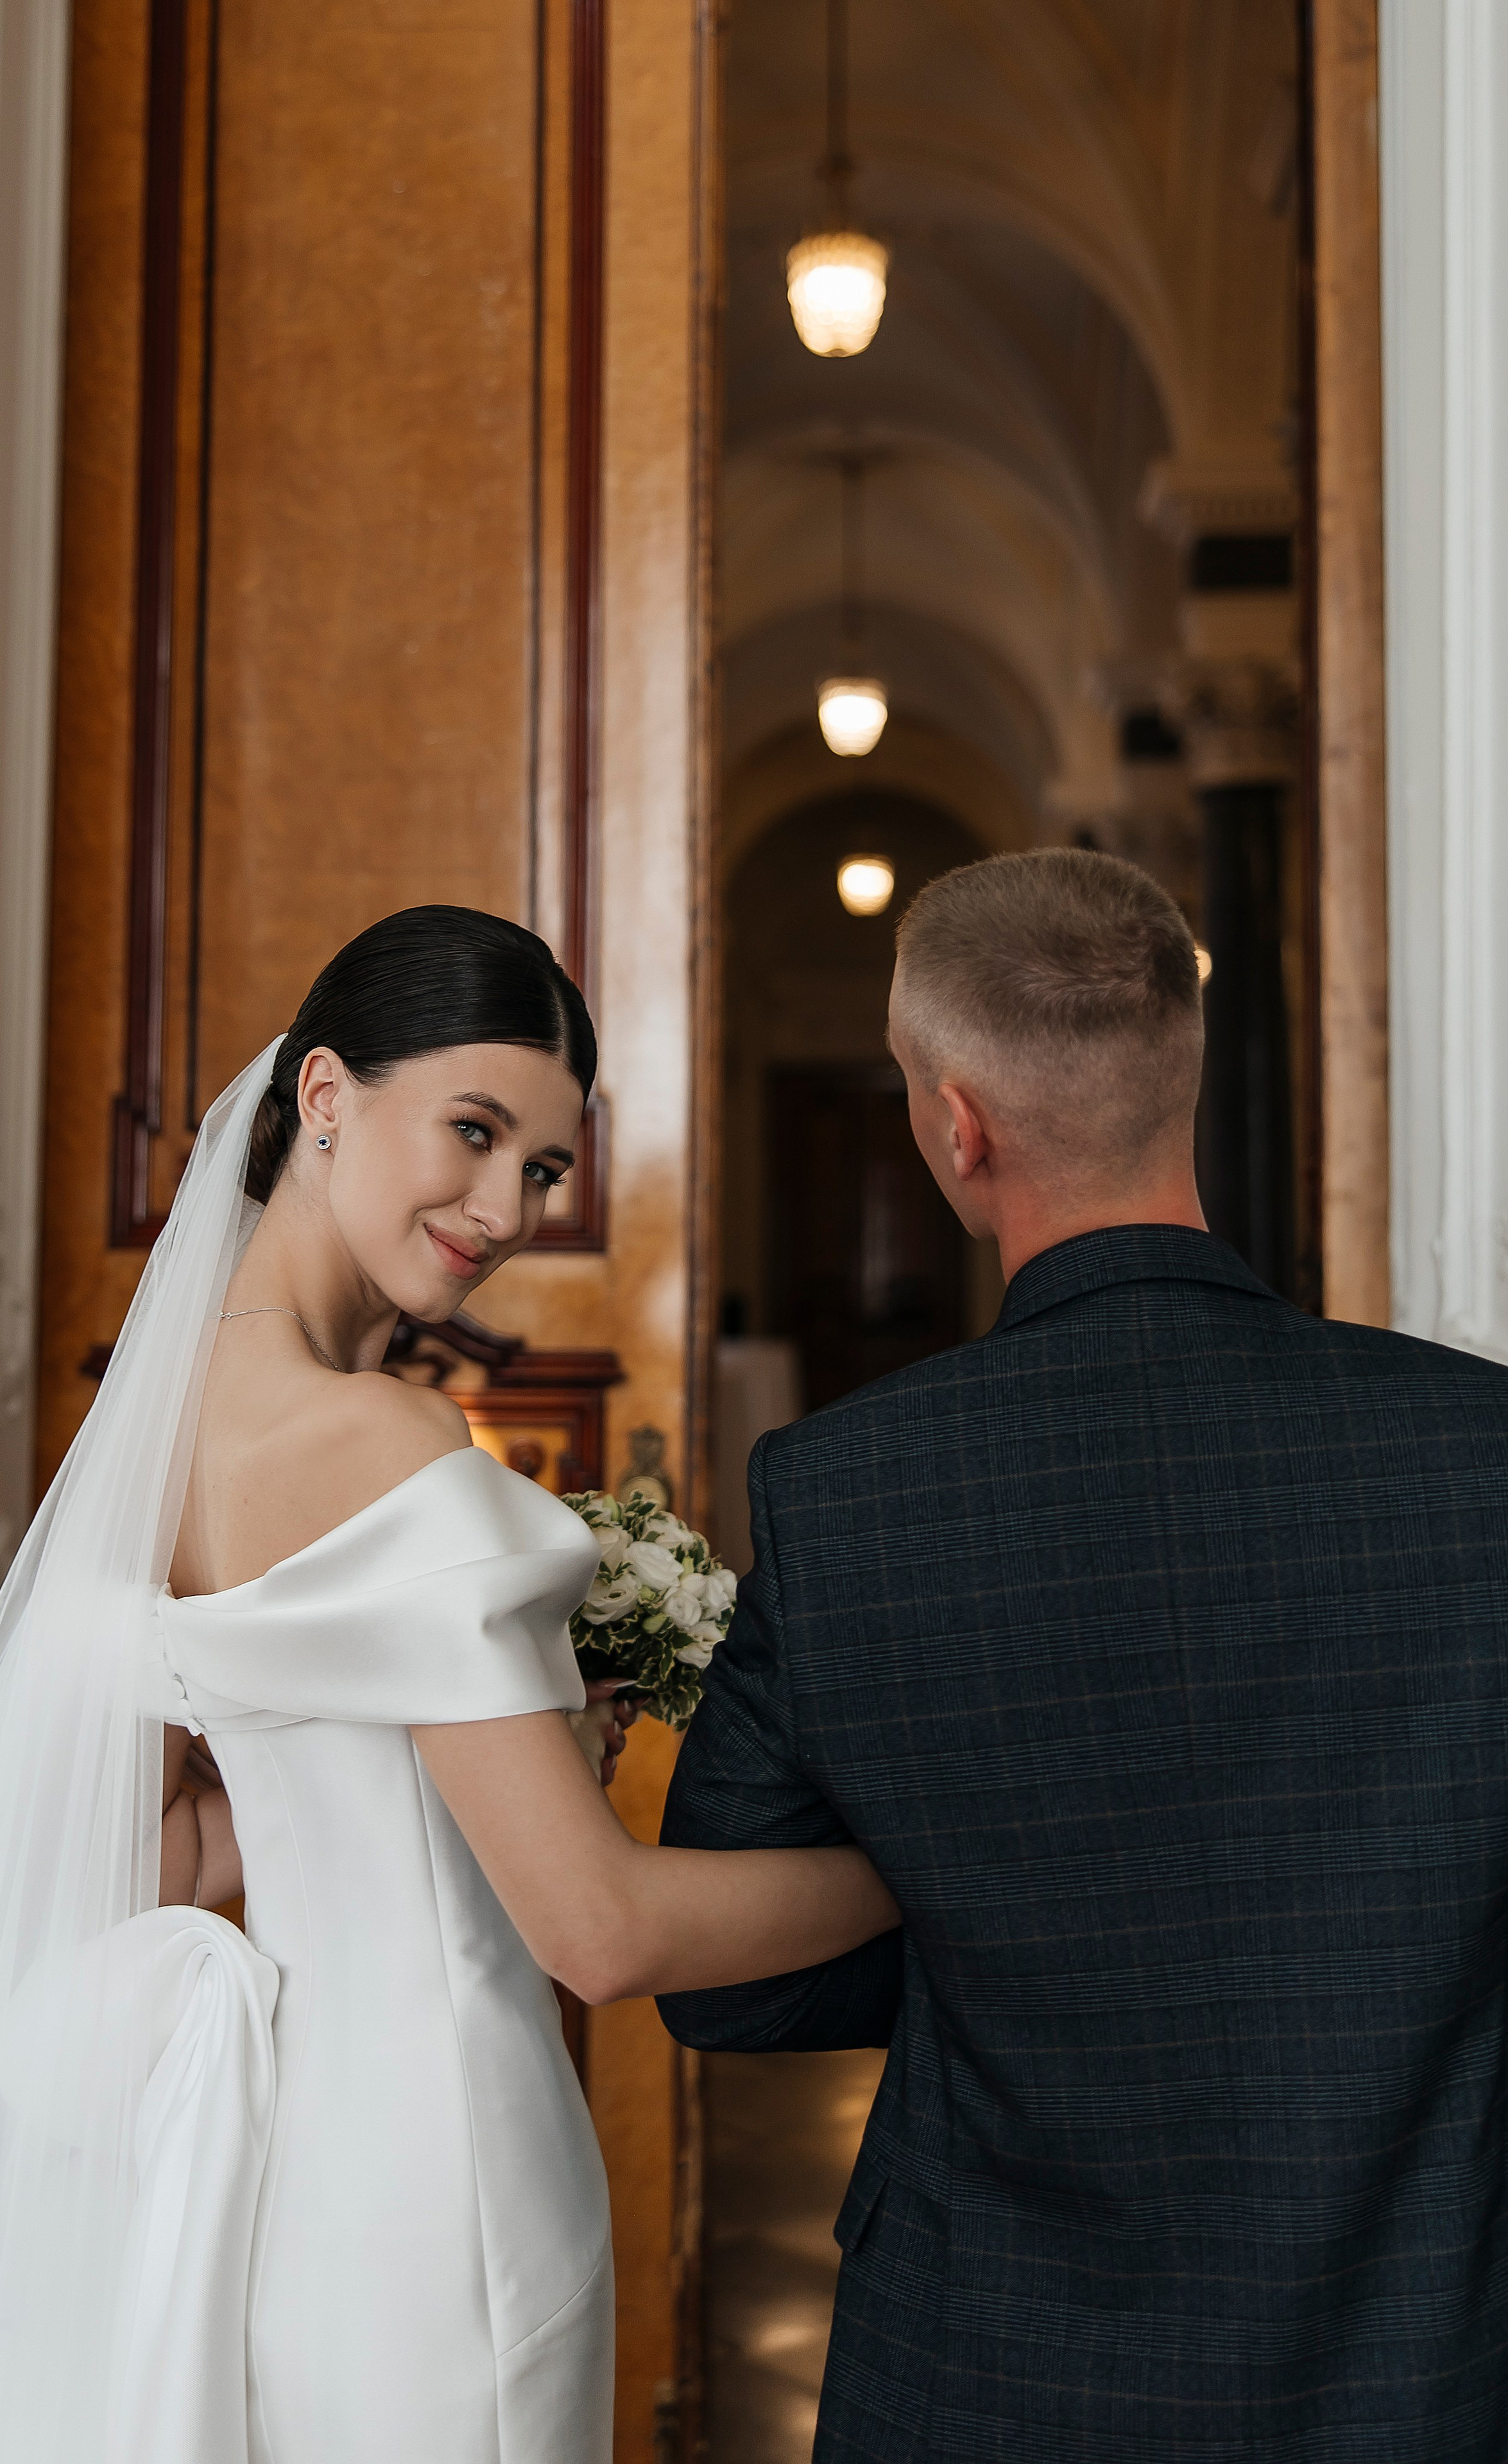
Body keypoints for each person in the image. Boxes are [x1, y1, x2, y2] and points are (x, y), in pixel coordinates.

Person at [0, 905, 896, 2464]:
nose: (506, 1208)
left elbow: (171, 1852)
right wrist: (914, 1873)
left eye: (544, 1170)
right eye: (472, 1133)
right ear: (328, 1096)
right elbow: (598, 1931)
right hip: (449, 2186)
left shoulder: (154, 1440)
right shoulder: (380, 1444)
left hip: (294, 2188)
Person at [659, 848, 1508, 2464]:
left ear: (955, 1125)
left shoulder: (843, 1495)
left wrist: (998, 1921)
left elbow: (731, 1984)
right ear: (1178, 1084)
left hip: (994, 2377)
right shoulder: (1477, 1452)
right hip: (1416, 2362)